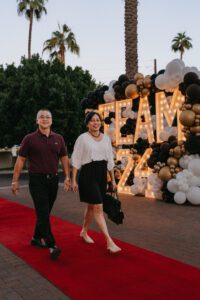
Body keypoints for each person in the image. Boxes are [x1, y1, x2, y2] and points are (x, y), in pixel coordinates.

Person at [11, 109, 70, 260]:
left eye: (47, 117)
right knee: (43, 212)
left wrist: (68, 176)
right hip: (37, 180)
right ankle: (51, 245)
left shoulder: (59, 138)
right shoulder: (29, 139)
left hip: (53, 180)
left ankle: (36, 238)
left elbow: (64, 158)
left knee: (45, 212)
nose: (45, 119)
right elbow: (21, 160)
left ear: (52, 120)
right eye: (41, 117)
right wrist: (15, 180)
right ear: (37, 121)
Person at [71, 111, 121, 253]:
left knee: (92, 207)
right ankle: (109, 241)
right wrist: (73, 179)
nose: (95, 122)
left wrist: (113, 180)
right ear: (87, 124)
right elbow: (76, 159)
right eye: (92, 120)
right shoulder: (82, 138)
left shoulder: (105, 138)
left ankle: (84, 231)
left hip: (101, 174)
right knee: (98, 206)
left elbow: (110, 159)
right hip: (87, 174)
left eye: (98, 120)